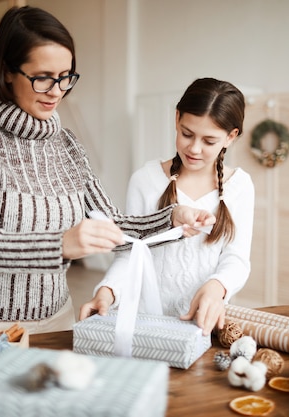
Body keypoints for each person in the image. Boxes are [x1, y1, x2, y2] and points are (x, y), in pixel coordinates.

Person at [0, 6, 214, 344]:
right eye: (43, 77)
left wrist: (172, 220)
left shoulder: (67, 144)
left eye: (65, 76)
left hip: (54, 320)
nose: (56, 91)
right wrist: (58, 245)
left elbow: (111, 224)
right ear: (6, 72)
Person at [79, 78, 254, 336]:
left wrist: (217, 286)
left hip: (202, 326)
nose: (194, 148)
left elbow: (237, 259)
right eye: (186, 134)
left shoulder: (240, 186)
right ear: (176, 119)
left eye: (209, 141)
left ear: (230, 137)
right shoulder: (146, 180)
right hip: (143, 323)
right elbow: (130, 252)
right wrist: (107, 291)